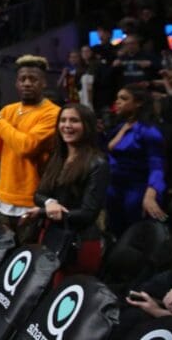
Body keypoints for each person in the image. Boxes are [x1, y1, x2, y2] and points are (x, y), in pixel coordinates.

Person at [0, 55, 60, 241]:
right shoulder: (8, 110)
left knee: (25, 258)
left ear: (44, 83)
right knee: (1, 257)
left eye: (33, 79)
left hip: (31, 202)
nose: (27, 83)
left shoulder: (52, 113)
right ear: (16, 83)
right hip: (4, 198)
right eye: (22, 79)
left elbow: (26, 147)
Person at [26, 104, 109, 283]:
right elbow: (38, 195)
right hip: (52, 235)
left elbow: (87, 214)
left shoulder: (98, 163)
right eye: (63, 120)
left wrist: (43, 211)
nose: (67, 125)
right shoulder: (58, 156)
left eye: (74, 120)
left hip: (79, 245)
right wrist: (49, 203)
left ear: (87, 125)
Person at [114, 178, 172, 337]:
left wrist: (159, 312)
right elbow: (139, 288)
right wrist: (151, 302)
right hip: (165, 321)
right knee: (130, 315)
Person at [105, 84, 168, 235]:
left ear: (138, 103)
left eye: (124, 98)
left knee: (133, 234)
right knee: (113, 232)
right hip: (113, 188)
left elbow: (157, 166)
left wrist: (151, 194)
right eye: (117, 98)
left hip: (136, 190)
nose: (117, 102)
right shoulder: (119, 127)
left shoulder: (149, 131)